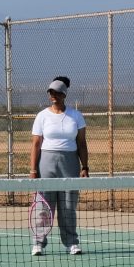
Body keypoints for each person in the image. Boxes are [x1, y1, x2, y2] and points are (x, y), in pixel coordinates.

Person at [28, 76, 89, 256]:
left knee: (68, 206)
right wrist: (33, 170)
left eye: (56, 93)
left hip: (69, 163)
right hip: (46, 163)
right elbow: (36, 144)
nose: (53, 96)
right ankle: (38, 243)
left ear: (64, 95)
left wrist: (85, 166)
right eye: (51, 93)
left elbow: (82, 143)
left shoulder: (76, 116)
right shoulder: (42, 116)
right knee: (43, 206)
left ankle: (71, 243)